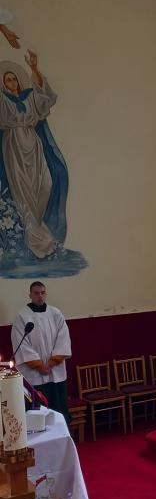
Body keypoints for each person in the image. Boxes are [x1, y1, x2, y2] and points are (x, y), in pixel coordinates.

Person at [0, 52, 69, 258]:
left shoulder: (29, 96)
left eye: (14, 79)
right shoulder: (2, 100)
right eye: (7, 80)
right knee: (21, 190)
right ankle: (35, 239)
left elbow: (44, 96)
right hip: (13, 147)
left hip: (34, 145)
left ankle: (37, 227)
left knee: (45, 184)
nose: (12, 83)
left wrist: (34, 68)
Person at [12, 281, 72, 424]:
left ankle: (62, 436)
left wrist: (51, 363)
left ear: (46, 294)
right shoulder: (22, 316)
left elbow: (63, 339)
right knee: (38, 415)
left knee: (59, 412)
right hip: (34, 375)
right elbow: (21, 344)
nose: (40, 296)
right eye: (36, 293)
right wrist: (39, 365)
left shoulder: (56, 313)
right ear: (30, 295)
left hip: (55, 372)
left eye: (42, 293)